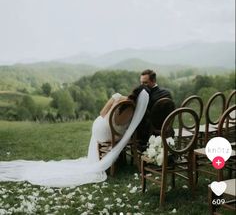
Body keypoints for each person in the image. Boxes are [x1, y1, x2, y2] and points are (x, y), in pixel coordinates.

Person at [0, 85, 149, 187]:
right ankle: (118, 160)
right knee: (125, 134)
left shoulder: (118, 97)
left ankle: (110, 158)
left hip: (98, 127)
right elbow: (119, 124)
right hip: (108, 133)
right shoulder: (131, 108)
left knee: (114, 130)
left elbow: (102, 114)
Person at [138, 69, 173, 146]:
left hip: (150, 134)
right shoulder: (167, 93)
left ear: (153, 81)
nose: (142, 85)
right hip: (168, 131)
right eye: (141, 83)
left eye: (145, 83)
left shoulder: (146, 96)